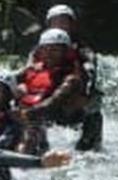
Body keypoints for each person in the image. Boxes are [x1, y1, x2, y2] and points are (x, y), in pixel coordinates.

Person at [15, 25, 103, 155]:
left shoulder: (73, 78)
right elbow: (8, 81)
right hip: (42, 120)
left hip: (68, 121)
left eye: (55, 50)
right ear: (40, 51)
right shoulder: (33, 69)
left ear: (66, 52)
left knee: (94, 116)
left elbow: (52, 103)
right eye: (46, 49)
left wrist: (24, 114)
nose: (50, 54)